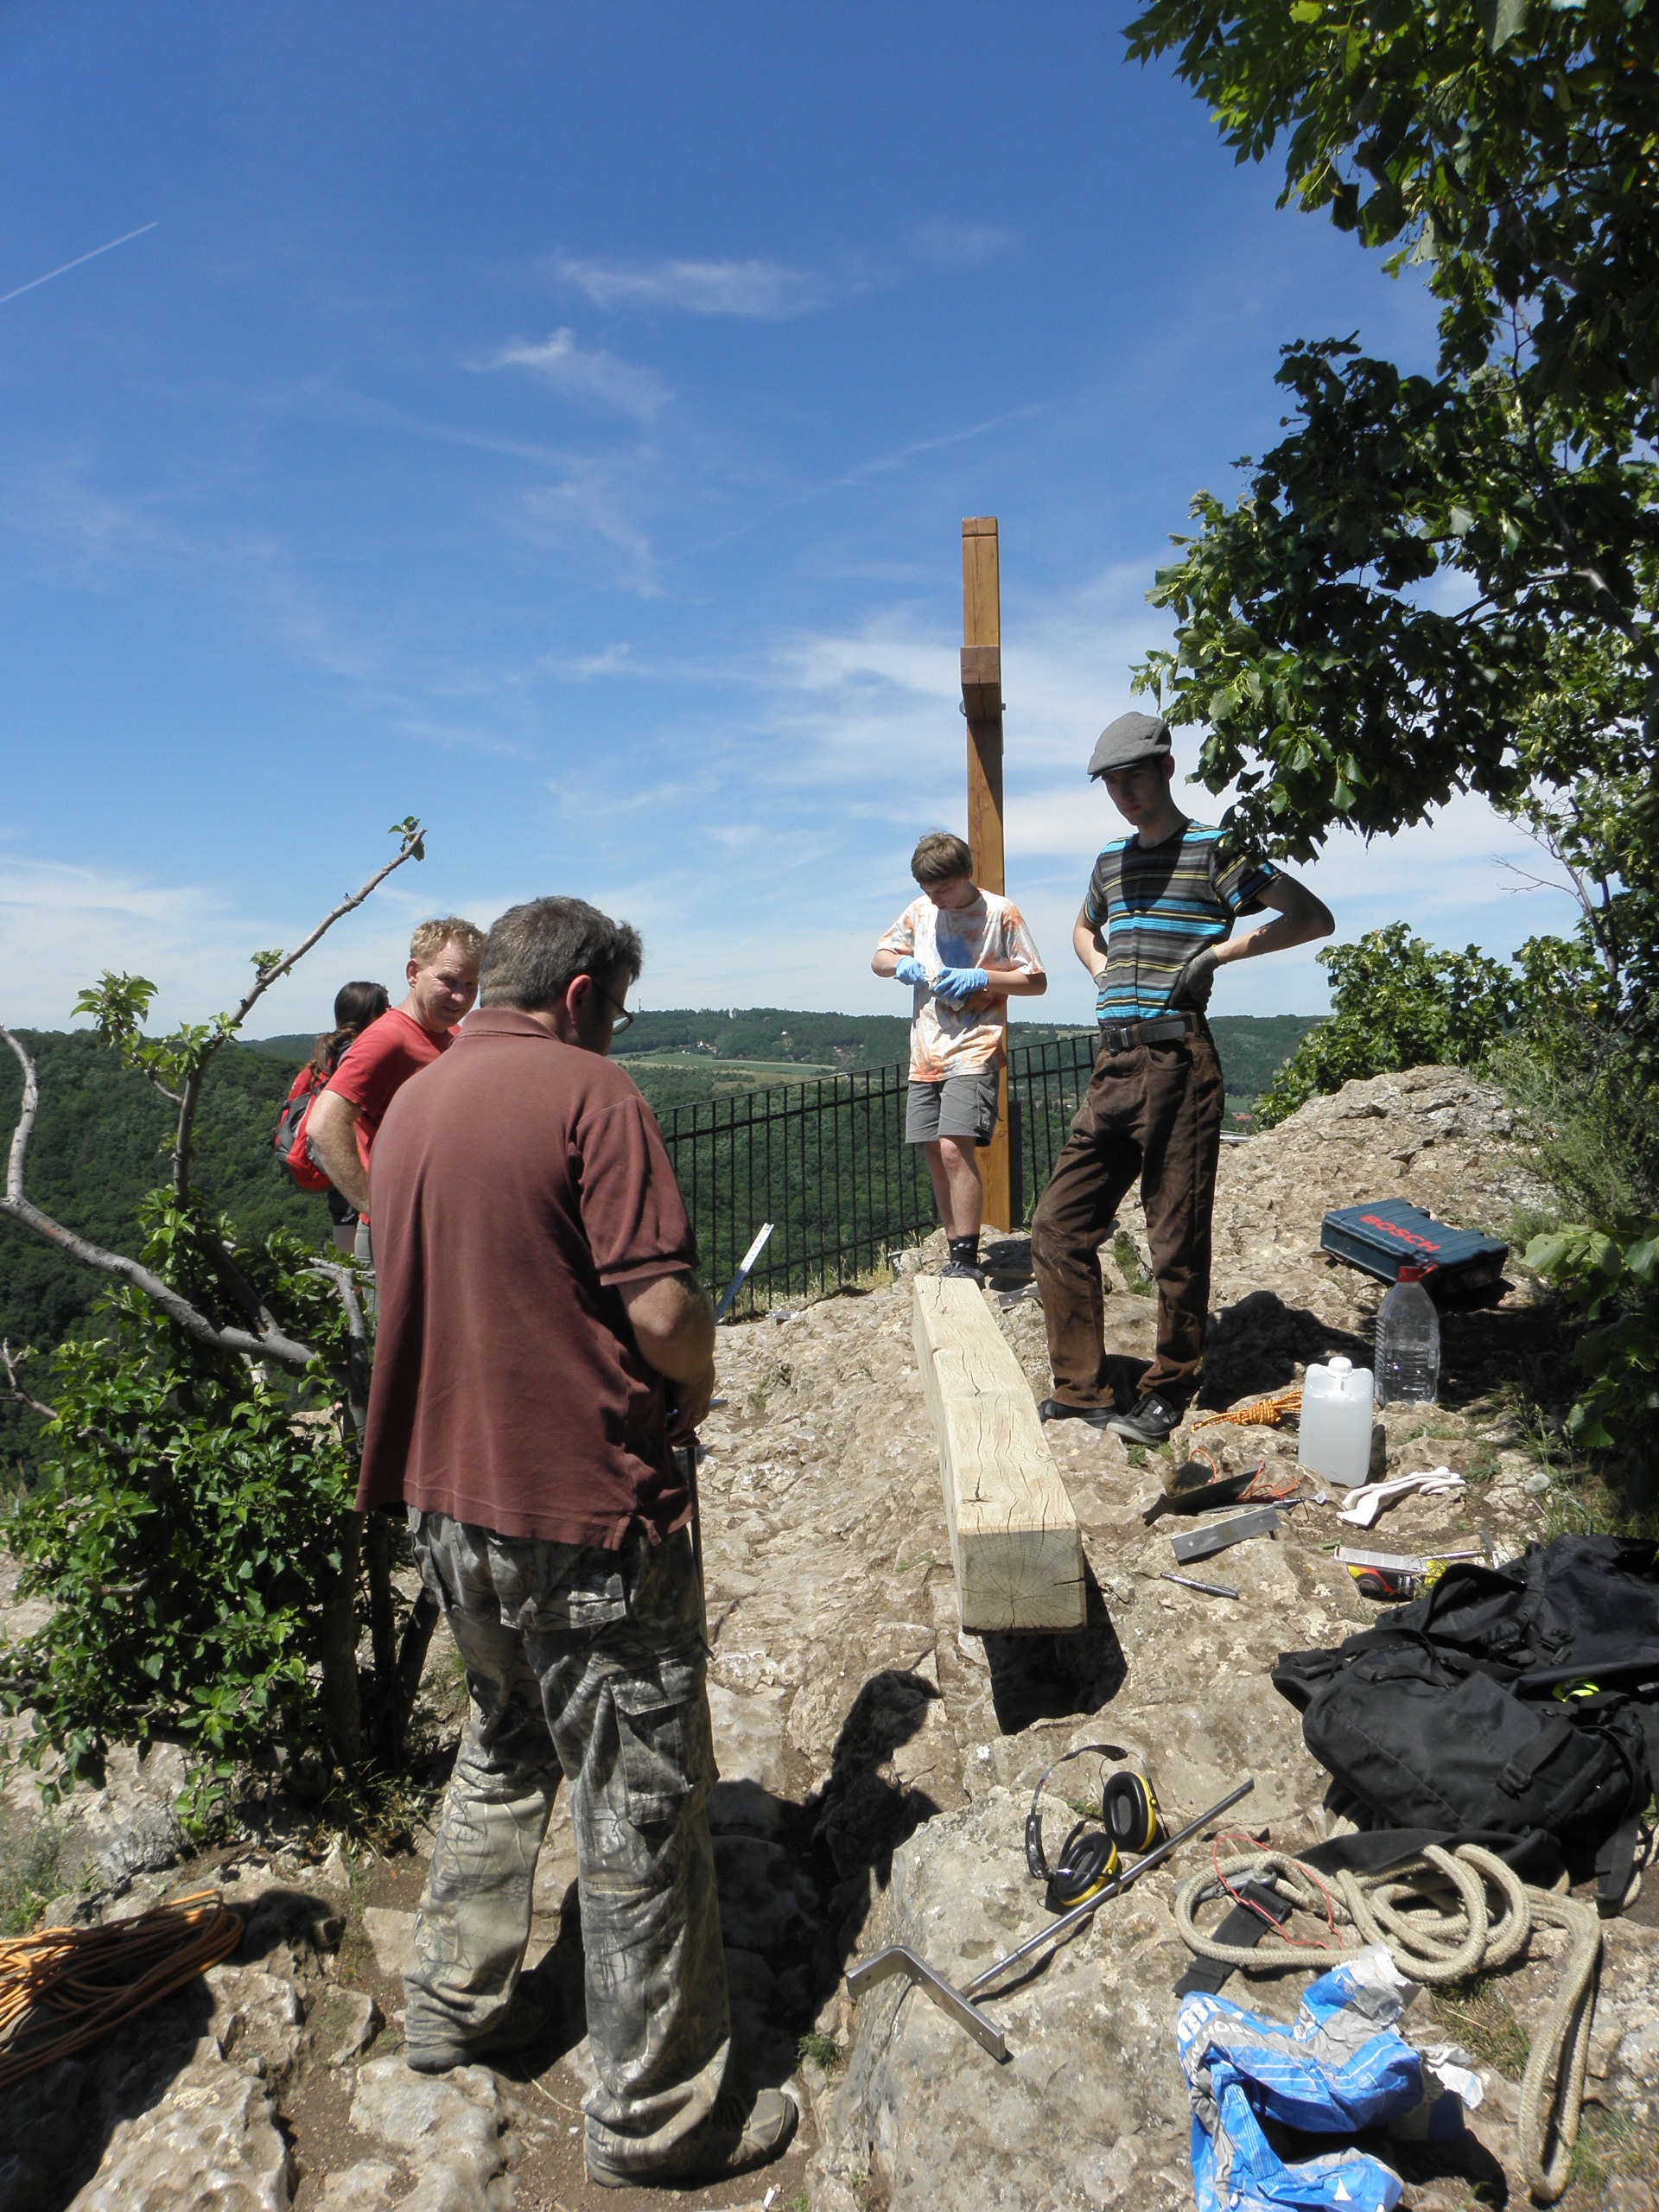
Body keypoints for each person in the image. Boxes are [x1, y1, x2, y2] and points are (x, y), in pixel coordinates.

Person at [354, 895, 797, 2192]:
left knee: (501, 1748)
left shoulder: (417, 1102)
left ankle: (450, 2006)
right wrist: (701, 1375)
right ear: (589, 991)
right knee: (641, 1807)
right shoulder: (592, 1095)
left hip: (448, 1500)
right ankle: (657, 2117)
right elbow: (658, 1311)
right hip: (587, 1516)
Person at [1030, 712, 1333, 1443]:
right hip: (1114, 1059)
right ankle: (1084, 1390)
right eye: (1111, 783)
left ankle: (1171, 1385)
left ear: (1167, 769)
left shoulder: (1217, 849)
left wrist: (1218, 956)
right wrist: (1101, 968)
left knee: (1175, 1235)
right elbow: (1082, 927)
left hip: (1179, 1062)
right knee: (1057, 1226)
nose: (1123, 793)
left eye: (1134, 777)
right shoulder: (1110, 861)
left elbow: (1311, 916)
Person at [872, 831, 1046, 1281]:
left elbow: (1036, 980)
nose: (937, 899)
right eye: (928, 891)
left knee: (954, 1148)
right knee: (934, 1150)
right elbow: (879, 956)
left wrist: (980, 978)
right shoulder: (921, 910)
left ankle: (968, 1258)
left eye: (943, 889)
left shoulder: (1000, 913)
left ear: (966, 875)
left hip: (975, 1045)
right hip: (927, 1050)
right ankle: (955, 1250)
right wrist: (899, 966)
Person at [305, 916, 485, 1267]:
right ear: (414, 972)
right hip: (397, 1235)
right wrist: (378, 1208)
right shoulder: (387, 1039)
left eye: (471, 983)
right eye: (448, 980)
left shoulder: (450, 1035)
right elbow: (323, 1126)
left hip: (435, 1226)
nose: (461, 996)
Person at [276, 981, 391, 1251]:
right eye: (385, 1008)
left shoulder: (331, 1049)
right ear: (372, 1015)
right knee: (357, 1214)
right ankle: (359, 1287)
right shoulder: (358, 1053)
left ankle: (348, 1286)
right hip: (352, 1151)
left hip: (329, 1153)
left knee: (343, 1215)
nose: (391, 1014)